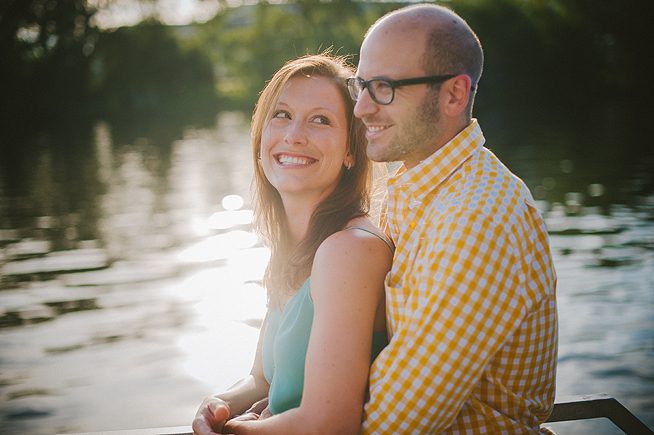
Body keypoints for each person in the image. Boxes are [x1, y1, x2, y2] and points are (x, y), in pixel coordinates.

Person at [347, 4, 558, 433]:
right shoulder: (410, 187)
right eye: (361, 85)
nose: (361, 109)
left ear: (454, 95)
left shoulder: (476, 219)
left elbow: (396, 425)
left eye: (384, 87)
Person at [192, 53, 393, 435]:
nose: (294, 135)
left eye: (320, 120)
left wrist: (237, 431)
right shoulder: (292, 250)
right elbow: (264, 380)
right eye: (281, 115)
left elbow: (330, 422)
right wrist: (220, 403)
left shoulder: (348, 251)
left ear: (352, 151)